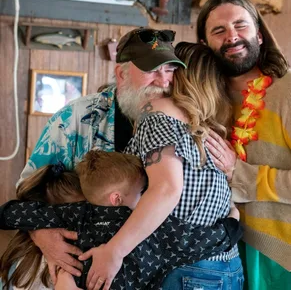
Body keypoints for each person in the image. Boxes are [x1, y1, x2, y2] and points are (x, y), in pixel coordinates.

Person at [13, 29, 243, 290]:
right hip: (80, 266)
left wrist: (233, 177)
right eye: (152, 70)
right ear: (121, 73)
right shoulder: (75, 117)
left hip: (145, 270)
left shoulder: (177, 119)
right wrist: (43, 236)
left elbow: (187, 203)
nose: (163, 81)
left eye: (170, 70)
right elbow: (28, 191)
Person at [197, 0, 291, 290]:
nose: (232, 36)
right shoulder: (211, 101)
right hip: (244, 249)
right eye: (219, 30)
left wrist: (239, 173)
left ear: (260, 35)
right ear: (205, 44)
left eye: (241, 25)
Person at [1, 150, 242, 290]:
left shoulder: (78, 214)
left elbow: (18, 213)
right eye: (141, 193)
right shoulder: (147, 228)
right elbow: (196, 239)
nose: (146, 198)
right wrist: (232, 225)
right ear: (116, 198)